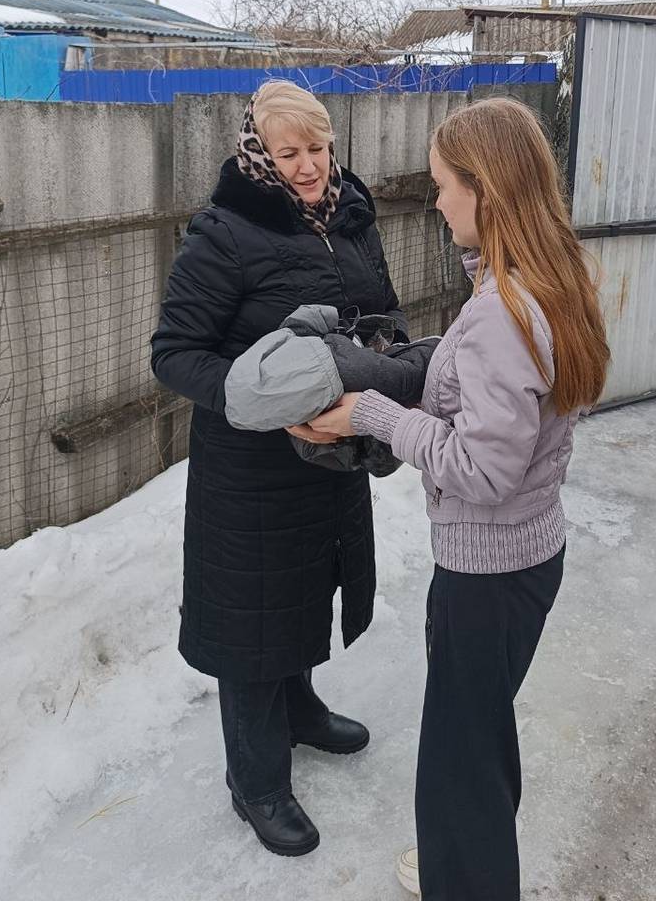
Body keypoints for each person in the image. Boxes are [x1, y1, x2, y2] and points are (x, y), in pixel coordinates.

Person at [311, 96, 610, 900]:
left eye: (444, 186)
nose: (437, 202)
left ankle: (466, 874)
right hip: (523, 556)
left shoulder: (504, 313)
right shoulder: (543, 280)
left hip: (489, 576)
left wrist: (371, 414)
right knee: (477, 746)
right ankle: (461, 860)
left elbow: (482, 468)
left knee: (457, 768)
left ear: (487, 189)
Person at [150, 81, 407, 857]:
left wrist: (385, 355)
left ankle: (298, 710)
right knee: (251, 614)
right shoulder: (225, 233)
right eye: (289, 152)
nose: (308, 167)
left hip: (329, 453)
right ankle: (256, 779)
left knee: (306, 585)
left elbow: (381, 306)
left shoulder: (352, 218)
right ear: (258, 154)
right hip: (251, 468)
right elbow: (175, 353)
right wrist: (264, 399)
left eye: (318, 149)